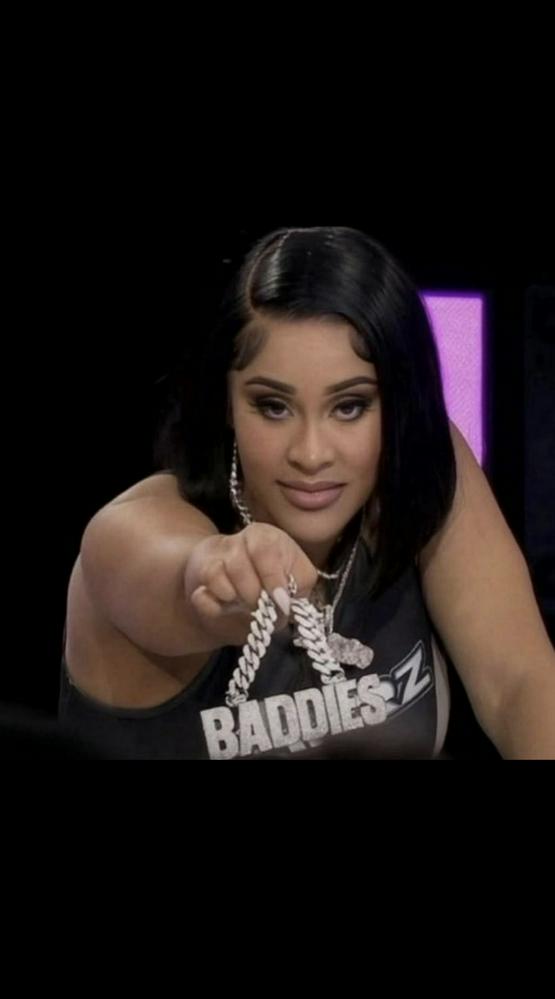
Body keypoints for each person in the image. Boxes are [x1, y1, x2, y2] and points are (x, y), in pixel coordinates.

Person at [58, 226, 555, 759]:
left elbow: (517, 685)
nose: (312, 453)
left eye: (350, 406)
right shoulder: (130, 530)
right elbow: (180, 582)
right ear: (227, 401)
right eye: (273, 406)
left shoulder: (418, 473)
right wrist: (221, 572)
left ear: (398, 405)